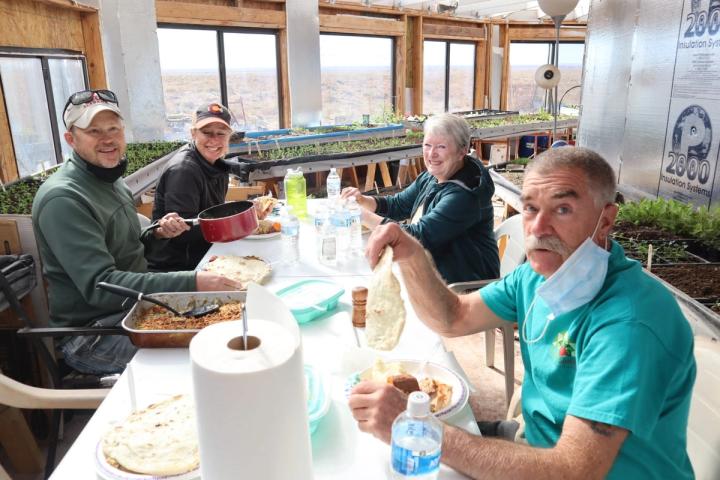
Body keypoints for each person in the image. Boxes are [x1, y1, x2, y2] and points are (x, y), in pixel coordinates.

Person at [349, 147, 696, 479]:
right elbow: (453, 316)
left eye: (562, 209)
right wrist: (412, 254)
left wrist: (416, 425)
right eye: (530, 208)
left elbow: (573, 471)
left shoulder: (630, 324)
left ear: (605, 220)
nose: (538, 228)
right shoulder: (535, 276)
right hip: (533, 443)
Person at [32, 89, 239, 375]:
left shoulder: (111, 182)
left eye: (113, 129)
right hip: (93, 334)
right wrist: (192, 281)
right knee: (212, 355)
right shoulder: (64, 198)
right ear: (71, 139)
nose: (107, 139)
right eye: (94, 131)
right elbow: (102, 286)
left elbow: (128, 248)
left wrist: (157, 235)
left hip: (134, 310)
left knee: (229, 326)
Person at [340, 113, 499, 284]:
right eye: (427, 145)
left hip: (463, 284)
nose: (431, 154)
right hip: (434, 269)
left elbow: (417, 238)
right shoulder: (433, 176)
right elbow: (398, 204)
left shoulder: (465, 195)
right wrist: (363, 201)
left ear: (462, 151)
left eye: (441, 147)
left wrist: (360, 214)